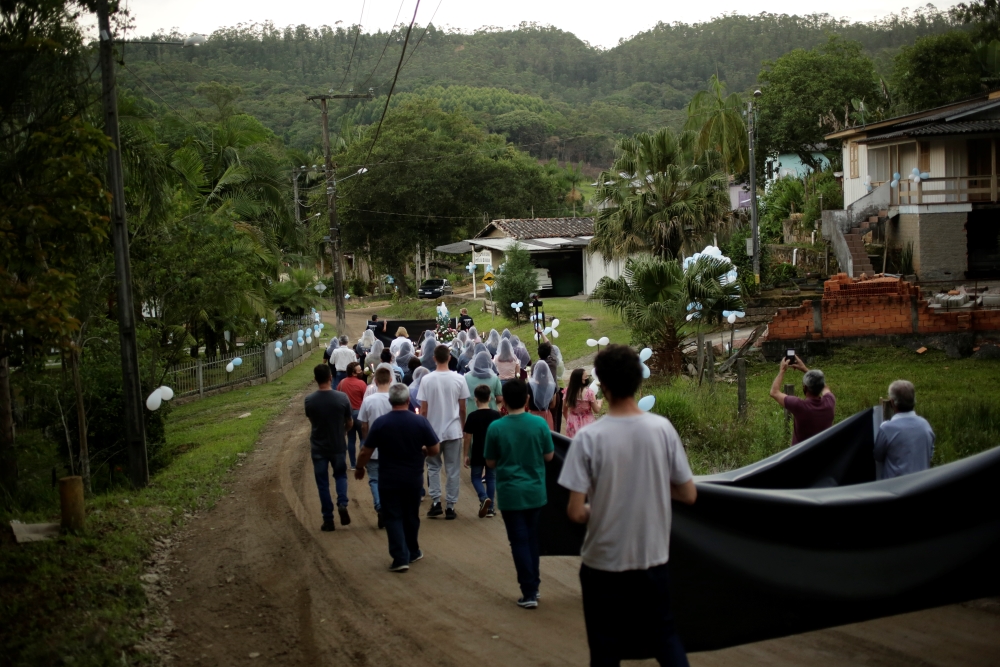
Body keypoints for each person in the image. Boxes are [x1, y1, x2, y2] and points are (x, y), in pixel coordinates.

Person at [559, 344, 697, 666]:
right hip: (652, 559)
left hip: (603, 564)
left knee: (605, 649)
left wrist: (608, 503)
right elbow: (689, 494)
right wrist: (646, 487)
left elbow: (576, 511)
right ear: (638, 381)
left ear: (602, 386)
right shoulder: (662, 429)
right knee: (665, 639)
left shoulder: (588, 439)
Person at [484, 378, 555, 608]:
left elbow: (491, 462)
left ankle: (529, 591)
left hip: (510, 493)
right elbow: (549, 456)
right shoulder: (539, 425)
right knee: (532, 538)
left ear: (503, 399)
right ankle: (533, 584)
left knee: (519, 541)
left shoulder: (496, 427)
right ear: (527, 399)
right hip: (535, 490)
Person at [356, 383, 441, 572]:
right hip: (413, 478)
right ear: (408, 400)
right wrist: (424, 450)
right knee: (411, 516)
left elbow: (365, 450)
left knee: (393, 517)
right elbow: (435, 449)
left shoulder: (381, 423)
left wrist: (360, 467)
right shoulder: (420, 422)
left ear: (390, 401)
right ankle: (412, 550)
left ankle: (399, 557)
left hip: (389, 478)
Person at [417, 344, 470, 520]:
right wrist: (463, 426)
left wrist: (423, 431)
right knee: (453, 469)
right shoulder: (459, 379)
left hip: (432, 430)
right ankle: (451, 505)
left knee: (433, 466)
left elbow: (423, 409)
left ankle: (435, 502)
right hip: (453, 429)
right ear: (449, 358)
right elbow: (462, 408)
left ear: (434, 358)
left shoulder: (426, 379)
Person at [303, 364, 353, 531]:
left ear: (315, 379)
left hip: (318, 446)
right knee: (340, 476)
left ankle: (328, 519)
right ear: (331, 377)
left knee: (322, 483)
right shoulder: (342, 398)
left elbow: (312, 422)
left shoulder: (309, 400)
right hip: (338, 444)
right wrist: (343, 431)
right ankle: (342, 503)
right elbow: (349, 422)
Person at [357, 367, 394, 527]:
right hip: (392, 448)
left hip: (374, 447)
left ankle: (380, 506)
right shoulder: (395, 399)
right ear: (391, 380)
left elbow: (364, 425)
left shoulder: (368, 401)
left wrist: (366, 442)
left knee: (374, 479)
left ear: (376, 381)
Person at [874, 380, 935, 479]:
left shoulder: (887, 428)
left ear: (893, 402)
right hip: (922, 484)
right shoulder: (925, 425)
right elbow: (930, 454)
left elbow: (878, 456)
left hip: (896, 488)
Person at [769, 356, 836, 445]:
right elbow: (825, 387)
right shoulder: (830, 402)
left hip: (801, 456)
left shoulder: (800, 406)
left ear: (805, 387)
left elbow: (774, 392)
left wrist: (782, 370)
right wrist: (805, 369)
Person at [464, 384, 501, 518]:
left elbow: (467, 437)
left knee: (475, 477)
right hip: (492, 452)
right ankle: (490, 508)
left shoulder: (472, 416)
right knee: (491, 478)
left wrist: (465, 455)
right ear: (490, 398)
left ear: (476, 399)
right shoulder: (496, 415)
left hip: (478, 450)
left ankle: (483, 497)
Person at [338, 362, 368, 469]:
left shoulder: (341, 383)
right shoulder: (362, 384)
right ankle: (362, 462)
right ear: (353, 373)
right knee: (363, 438)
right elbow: (366, 400)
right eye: (359, 370)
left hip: (348, 416)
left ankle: (353, 464)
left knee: (351, 440)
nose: (361, 372)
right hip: (360, 414)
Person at [564, 368, 602, 438]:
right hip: (587, 423)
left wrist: (568, 421)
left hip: (572, 422)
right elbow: (597, 410)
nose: (588, 378)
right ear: (581, 380)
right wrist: (599, 402)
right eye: (586, 377)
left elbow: (564, 411)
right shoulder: (589, 393)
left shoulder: (568, 391)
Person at [527, 361, 557, 430]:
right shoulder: (552, 386)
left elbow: (527, 403)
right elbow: (553, 405)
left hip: (533, 416)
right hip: (546, 415)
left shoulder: (530, 385)